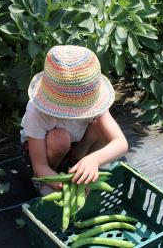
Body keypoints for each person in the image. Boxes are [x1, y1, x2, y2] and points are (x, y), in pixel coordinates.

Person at [20, 45, 128, 195]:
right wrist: (67, 187)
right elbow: (39, 165)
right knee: (59, 139)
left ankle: (78, 165)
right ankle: (50, 177)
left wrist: (94, 160)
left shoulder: (93, 104)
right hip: (46, 149)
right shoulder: (36, 113)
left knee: (100, 127)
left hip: (76, 143)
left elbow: (121, 144)